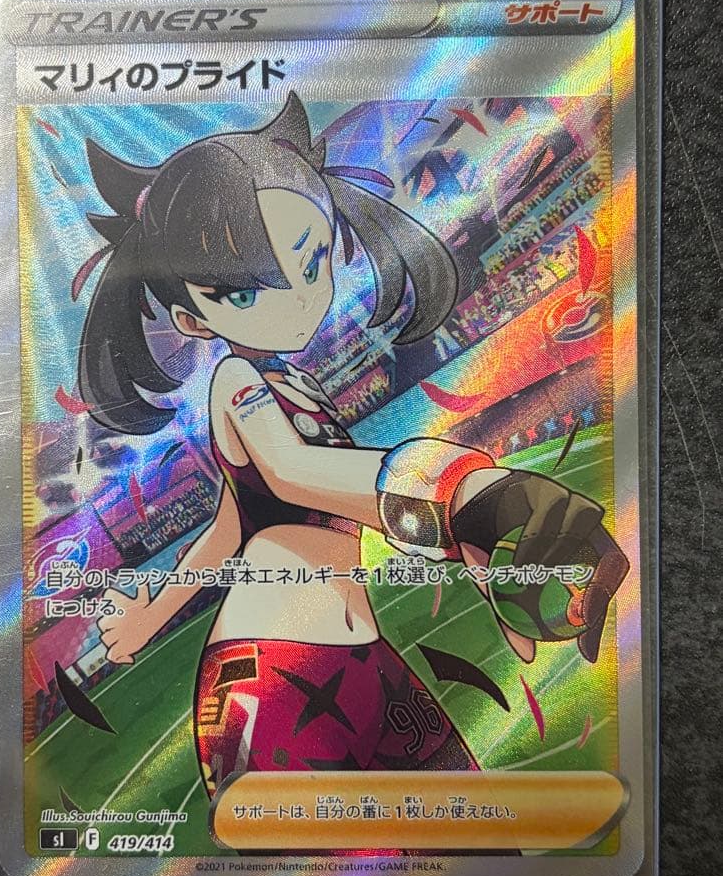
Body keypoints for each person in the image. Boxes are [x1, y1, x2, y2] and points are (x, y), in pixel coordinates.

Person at [75, 93, 627, 798]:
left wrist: (150, 614)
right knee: (330, 859)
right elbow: (292, 471)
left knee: (474, 836)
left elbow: (229, 529)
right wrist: (461, 493)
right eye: (245, 292)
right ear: (191, 318)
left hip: (366, 660)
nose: (299, 297)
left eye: (313, 260)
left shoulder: (296, 385)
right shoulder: (237, 381)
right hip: (274, 674)